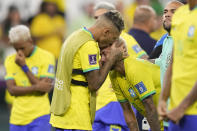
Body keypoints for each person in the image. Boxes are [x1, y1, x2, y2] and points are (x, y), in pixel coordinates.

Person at [50, 10, 125, 131]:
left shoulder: (75, 36)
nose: (111, 43)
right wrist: (111, 60)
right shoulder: (88, 45)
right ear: (106, 32)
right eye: (113, 38)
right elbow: (94, 84)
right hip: (76, 116)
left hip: (61, 112)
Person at [92, 2, 148, 131]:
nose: (98, 21)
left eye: (102, 17)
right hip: (96, 106)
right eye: (95, 18)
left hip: (116, 104)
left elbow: (145, 61)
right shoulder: (91, 42)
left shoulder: (124, 39)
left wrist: (129, 80)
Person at [101, 39, 162, 131]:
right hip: (158, 121)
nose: (102, 59)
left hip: (172, 118)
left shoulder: (134, 68)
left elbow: (149, 106)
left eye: (105, 54)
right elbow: (127, 111)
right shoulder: (114, 75)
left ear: (123, 50)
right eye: (101, 55)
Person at [4, 25, 55, 131]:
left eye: (22, 48)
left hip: (40, 117)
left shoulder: (47, 57)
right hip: (17, 119)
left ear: (30, 41)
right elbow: (12, 90)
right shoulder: (10, 60)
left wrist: (24, 67)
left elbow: (44, 90)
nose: (19, 52)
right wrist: (37, 86)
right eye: (16, 48)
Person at [158, 1, 197, 131]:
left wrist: (182, 107)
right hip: (175, 111)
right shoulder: (180, 15)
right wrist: (163, 99)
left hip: (191, 111)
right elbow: (173, 61)